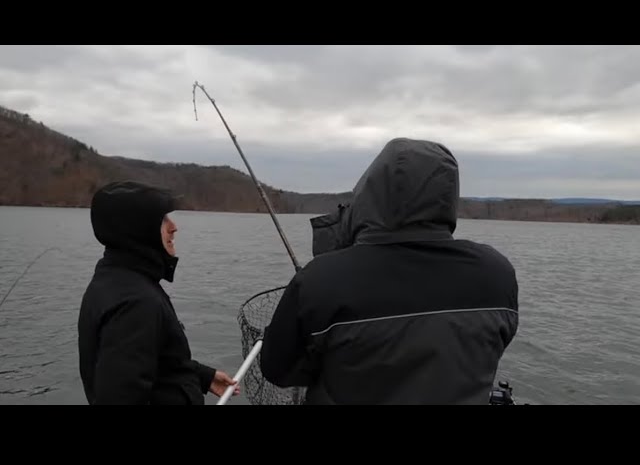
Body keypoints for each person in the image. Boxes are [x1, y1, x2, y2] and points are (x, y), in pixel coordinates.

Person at [259, 138, 519, 405]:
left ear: (368, 195)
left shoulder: (320, 279)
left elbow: (276, 368)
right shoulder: (497, 273)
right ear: (447, 195)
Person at [78, 181, 239, 405]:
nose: (174, 227)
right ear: (138, 229)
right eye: (163, 219)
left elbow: (150, 360)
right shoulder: (137, 303)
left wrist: (202, 376)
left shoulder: (116, 279)